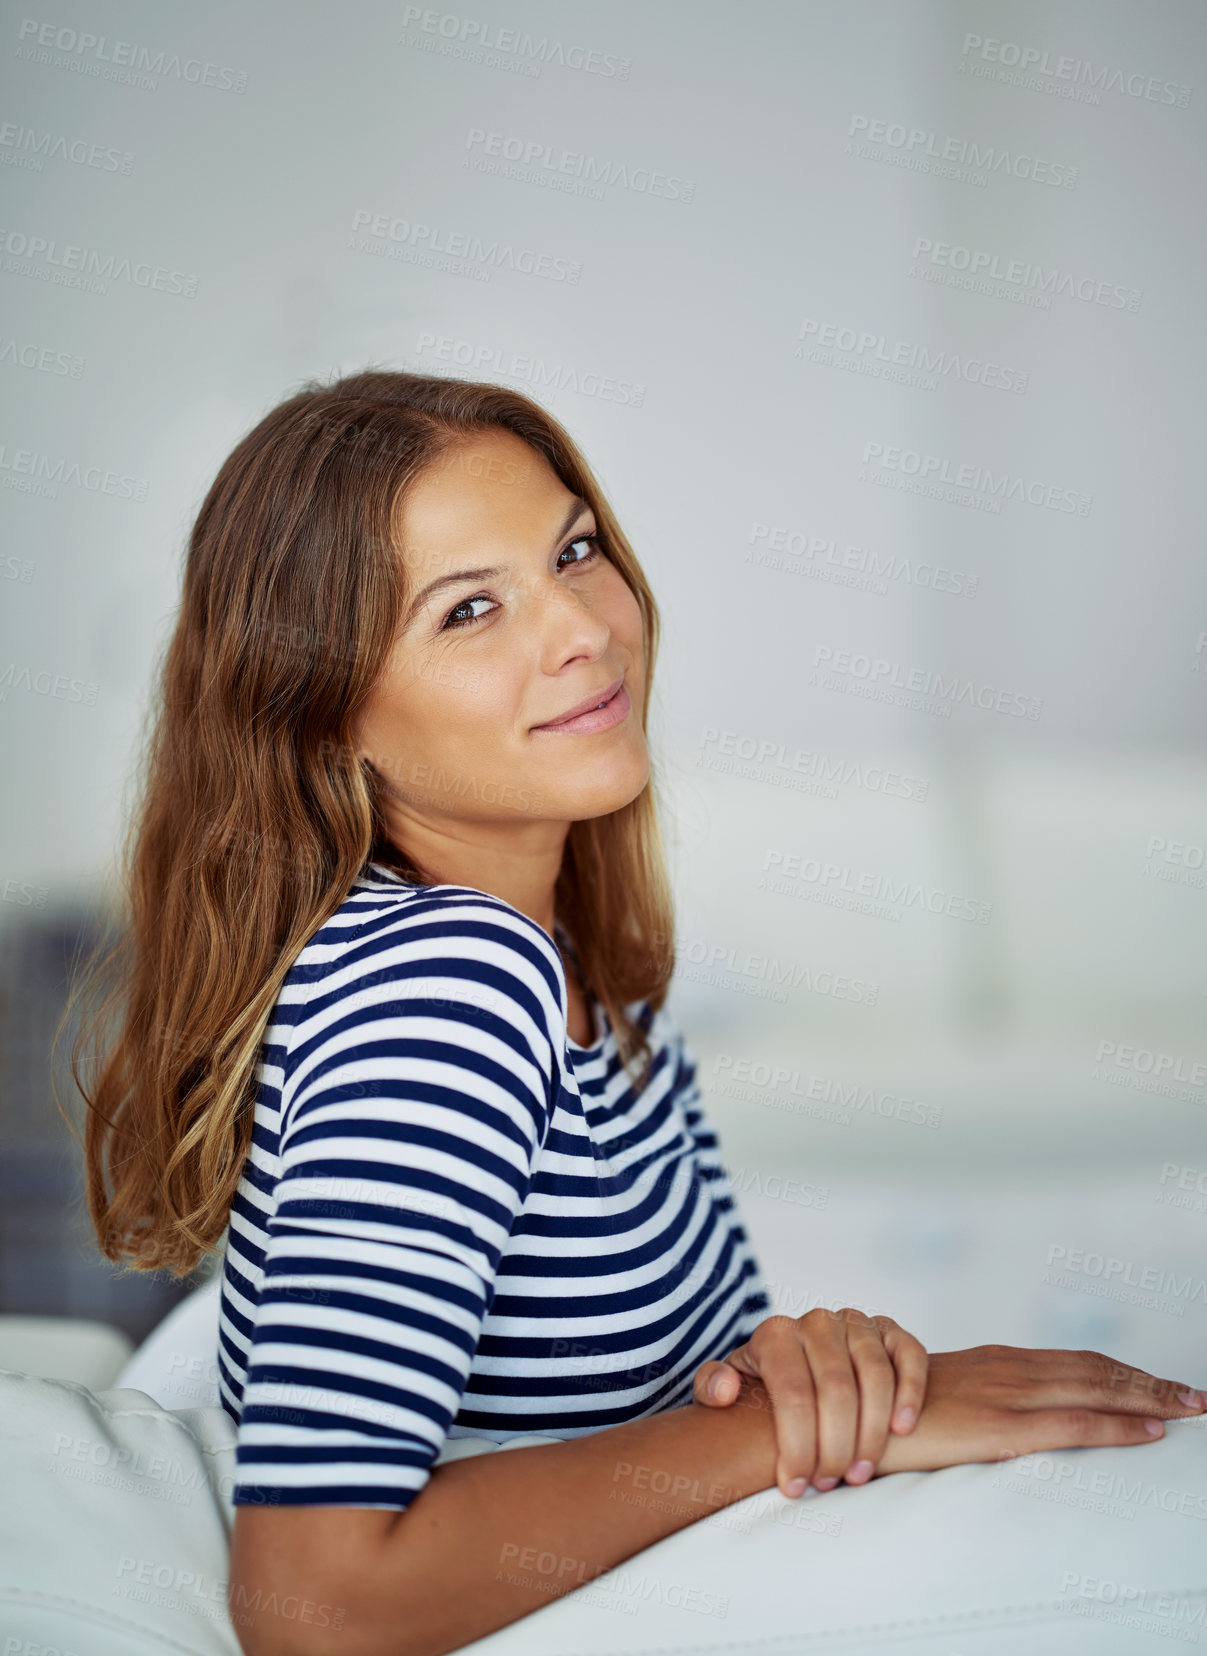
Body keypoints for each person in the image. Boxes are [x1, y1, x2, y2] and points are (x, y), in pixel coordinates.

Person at [69, 371, 1205, 1656]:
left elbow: (687, 1380)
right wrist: (770, 1428)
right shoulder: (451, 983)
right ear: (328, 716)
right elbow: (314, 1600)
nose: (582, 629)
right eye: (471, 610)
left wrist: (813, 1374)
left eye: (573, 549)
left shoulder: (574, 975)